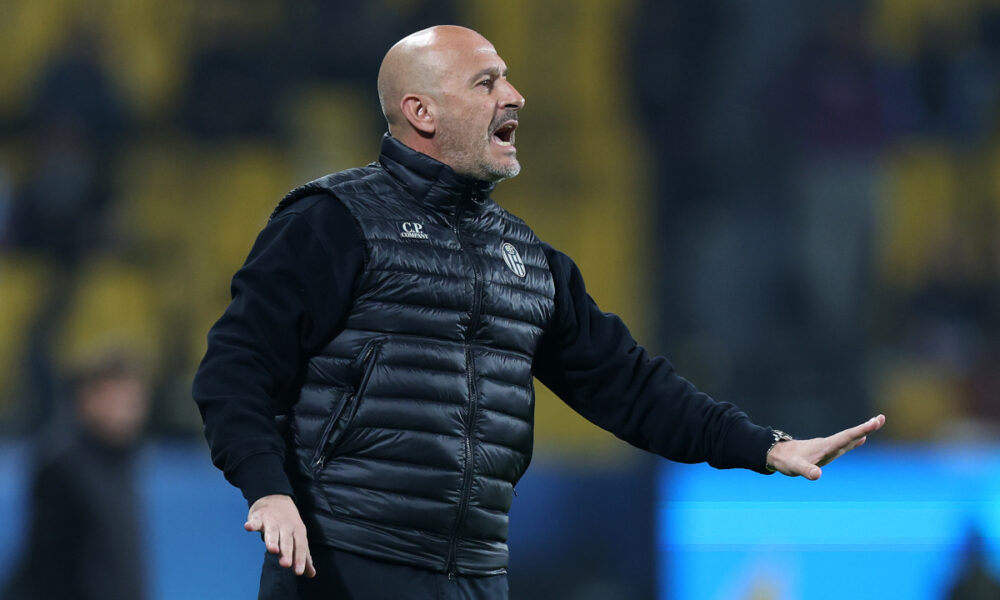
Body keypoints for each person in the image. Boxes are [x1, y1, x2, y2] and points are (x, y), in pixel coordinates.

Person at [193, 25, 886, 600]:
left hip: (475, 577)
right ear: (422, 112)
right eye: (486, 82)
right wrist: (268, 490)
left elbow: (630, 387)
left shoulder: (526, 259)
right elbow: (235, 369)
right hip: (345, 566)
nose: (515, 95)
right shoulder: (331, 223)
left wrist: (763, 446)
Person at [3, 352, 150, 600]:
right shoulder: (61, 466)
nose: (126, 409)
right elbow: (49, 567)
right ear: (88, 397)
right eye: (115, 397)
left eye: (132, 399)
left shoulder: (122, 462)